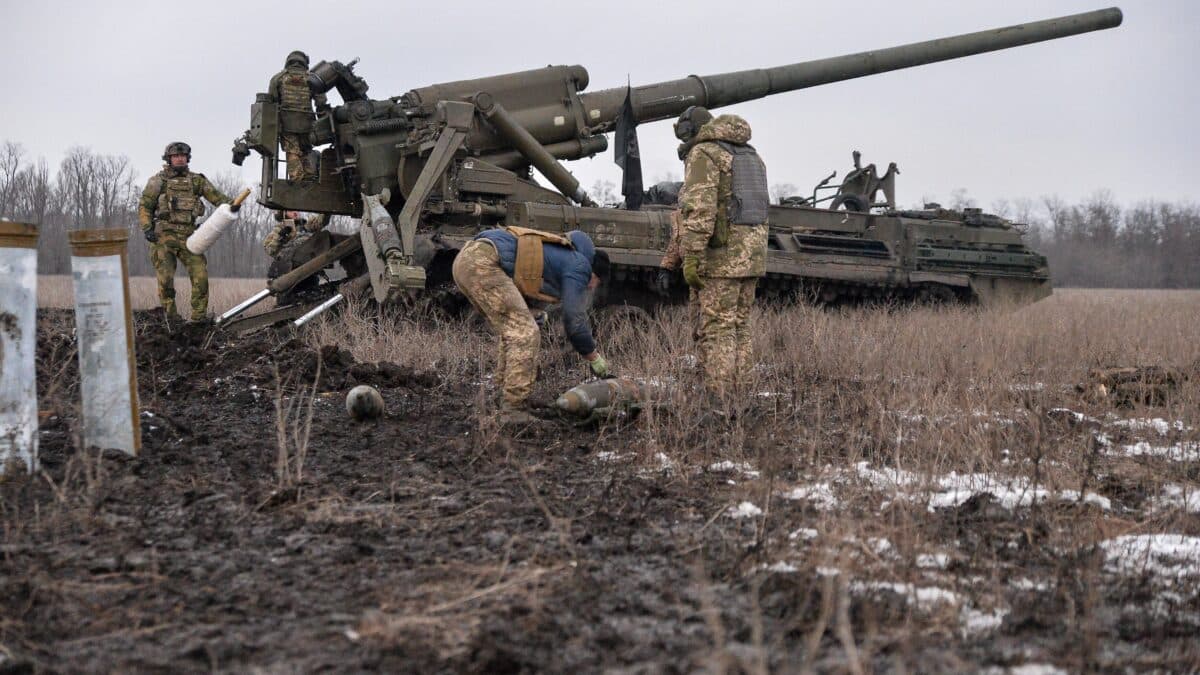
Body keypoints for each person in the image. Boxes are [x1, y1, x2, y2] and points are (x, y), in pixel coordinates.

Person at [452, 227, 611, 425]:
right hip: (484, 263)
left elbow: (521, 281)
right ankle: (513, 409)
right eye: (596, 282)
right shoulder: (580, 265)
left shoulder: (559, 254)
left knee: (513, 330)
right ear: (594, 273)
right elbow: (574, 320)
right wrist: (593, 357)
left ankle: (502, 397)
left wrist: (532, 313)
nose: (592, 287)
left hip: (467, 259)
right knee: (526, 333)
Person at [673, 106, 770, 396]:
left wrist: (691, 254)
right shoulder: (751, 154)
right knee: (740, 327)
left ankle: (719, 397)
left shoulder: (704, 154)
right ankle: (741, 394)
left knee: (716, 328)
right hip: (751, 256)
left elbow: (699, 209)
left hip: (722, 258)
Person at [138, 142, 231, 322]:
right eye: (175, 156)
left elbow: (218, 198)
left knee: (200, 278)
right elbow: (145, 206)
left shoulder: (197, 181)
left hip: (190, 238)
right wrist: (147, 227)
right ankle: (170, 319)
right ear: (169, 159)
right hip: (164, 237)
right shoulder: (158, 181)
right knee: (165, 282)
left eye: (182, 156)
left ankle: (198, 319)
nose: (180, 158)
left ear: (187, 158)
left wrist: (233, 204)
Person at [268, 50, 327, 181]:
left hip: (286, 124)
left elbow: (271, 101)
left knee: (292, 151)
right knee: (306, 151)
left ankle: (297, 178)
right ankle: (309, 176)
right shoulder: (311, 78)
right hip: (308, 123)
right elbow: (321, 101)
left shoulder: (278, 78)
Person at [263, 210, 329, 257]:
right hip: (288, 263)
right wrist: (280, 237)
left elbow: (319, 223)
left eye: (297, 210)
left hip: (307, 259)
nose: (295, 213)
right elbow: (270, 251)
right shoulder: (278, 229)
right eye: (291, 211)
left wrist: (326, 212)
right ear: (284, 213)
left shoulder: (305, 225)